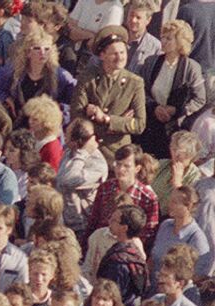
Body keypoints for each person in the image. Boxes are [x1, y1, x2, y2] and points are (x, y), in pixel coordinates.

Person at [73, 26, 147, 160]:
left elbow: (139, 124)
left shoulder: (135, 83)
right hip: (89, 149)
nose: (120, 57)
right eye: (114, 53)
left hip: (117, 155)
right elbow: (76, 115)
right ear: (102, 55)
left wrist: (108, 119)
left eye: (122, 52)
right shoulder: (87, 78)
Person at [137, 20, 208, 158]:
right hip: (149, 121)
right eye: (162, 37)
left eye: (168, 38)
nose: (163, 41)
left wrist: (177, 110)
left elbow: (200, 99)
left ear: (180, 42)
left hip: (173, 128)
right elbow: (141, 89)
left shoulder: (191, 68)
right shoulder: (151, 62)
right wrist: (155, 107)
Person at [87, 144, 161, 250]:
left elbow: (148, 235)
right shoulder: (105, 188)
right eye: (118, 164)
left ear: (137, 168)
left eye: (126, 166)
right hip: (101, 245)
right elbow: (93, 221)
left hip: (128, 250)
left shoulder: (148, 198)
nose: (120, 169)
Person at [0, 29, 77, 122]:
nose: (42, 53)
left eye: (47, 49)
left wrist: (59, 109)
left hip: (43, 125)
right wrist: (4, 97)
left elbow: (75, 97)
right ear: (28, 52)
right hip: (16, 122)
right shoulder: (15, 70)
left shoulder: (61, 75)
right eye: (37, 48)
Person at [55, 118, 109, 240]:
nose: (64, 136)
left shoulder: (97, 164)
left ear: (77, 141)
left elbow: (67, 180)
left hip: (81, 227)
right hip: (62, 223)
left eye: (67, 134)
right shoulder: (69, 152)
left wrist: (83, 153)